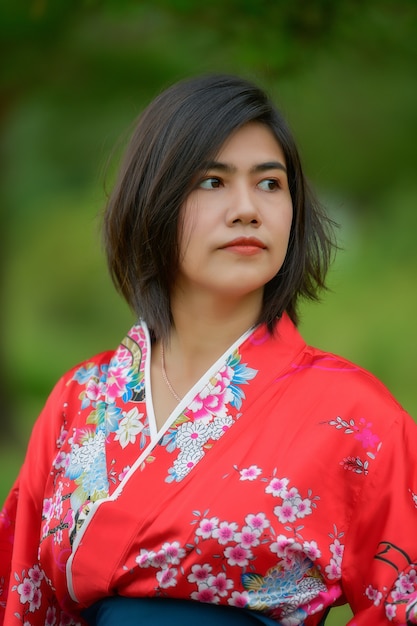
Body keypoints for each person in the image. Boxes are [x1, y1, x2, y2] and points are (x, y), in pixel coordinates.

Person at [0, 74, 416, 626]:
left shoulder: (356, 415)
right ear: (154, 199)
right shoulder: (79, 401)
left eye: (270, 184)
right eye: (212, 182)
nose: (248, 209)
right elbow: (22, 600)